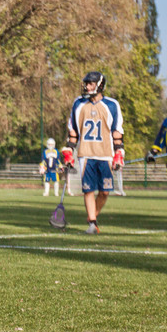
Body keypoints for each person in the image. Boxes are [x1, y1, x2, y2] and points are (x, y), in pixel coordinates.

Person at [61, 71, 124, 234]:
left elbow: (117, 132)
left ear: (100, 85)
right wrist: (69, 151)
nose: (87, 86)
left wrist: (119, 153)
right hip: (86, 153)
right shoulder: (78, 104)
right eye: (86, 83)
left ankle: (92, 216)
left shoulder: (111, 105)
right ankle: (93, 223)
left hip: (105, 154)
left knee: (104, 191)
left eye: (91, 84)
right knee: (88, 189)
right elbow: (73, 131)